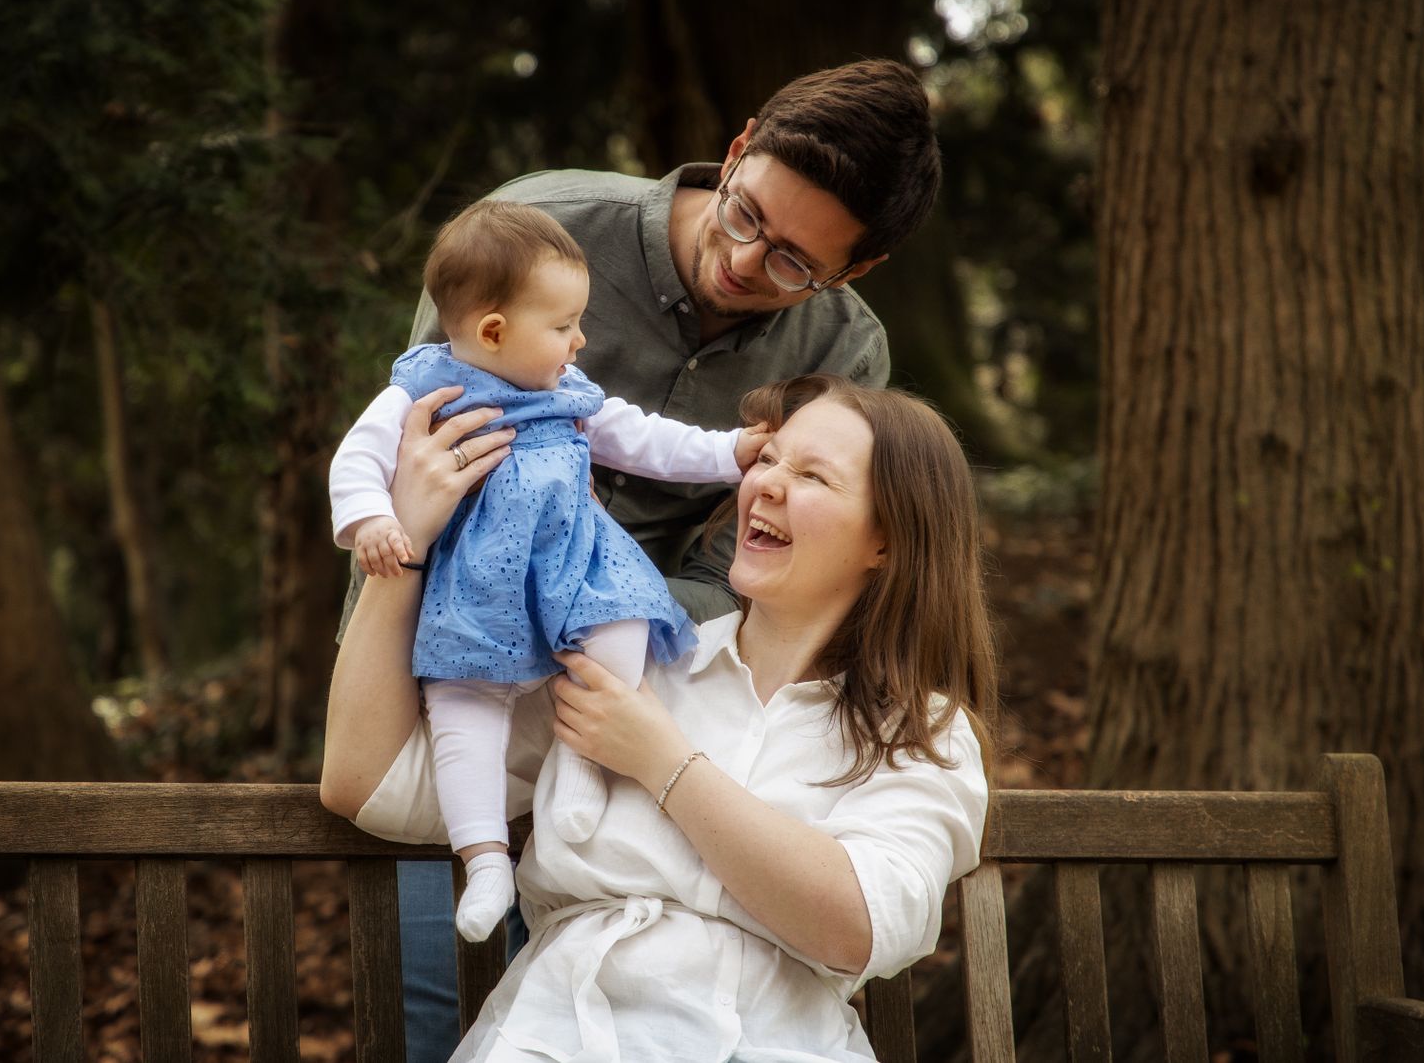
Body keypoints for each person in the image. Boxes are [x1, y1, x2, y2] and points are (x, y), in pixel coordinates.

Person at [338, 58, 944, 1059]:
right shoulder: (536, 229)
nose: (748, 261)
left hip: (647, 688)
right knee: (441, 1001)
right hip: (456, 666)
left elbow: (749, 564)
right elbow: (422, 466)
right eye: (745, 215)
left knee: (597, 952)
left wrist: (601, 644)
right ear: (739, 146)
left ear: (855, 271)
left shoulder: (843, 351)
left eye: (796, 260)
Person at [321, 373, 997, 1061]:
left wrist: (663, 762)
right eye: (766, 459)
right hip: (560, 1039)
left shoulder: (920, 733)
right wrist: (401, 547)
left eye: (814, 476)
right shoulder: (631, 655)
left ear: (886, 539)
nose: (766, 484)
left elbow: (857, 924)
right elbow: (368, 783)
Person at [329, 199, 770, 942]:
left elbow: (643, 438)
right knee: (464, 709)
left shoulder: (566, 394)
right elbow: (359, 457)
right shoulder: (424, 389)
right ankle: (485, 856)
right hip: (476, 590)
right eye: (563, 326)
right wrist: (374, 519)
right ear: (494, 331)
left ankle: (585, 773)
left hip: (573, 572)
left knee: (623, 624)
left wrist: (729, 453)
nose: (580, 339)